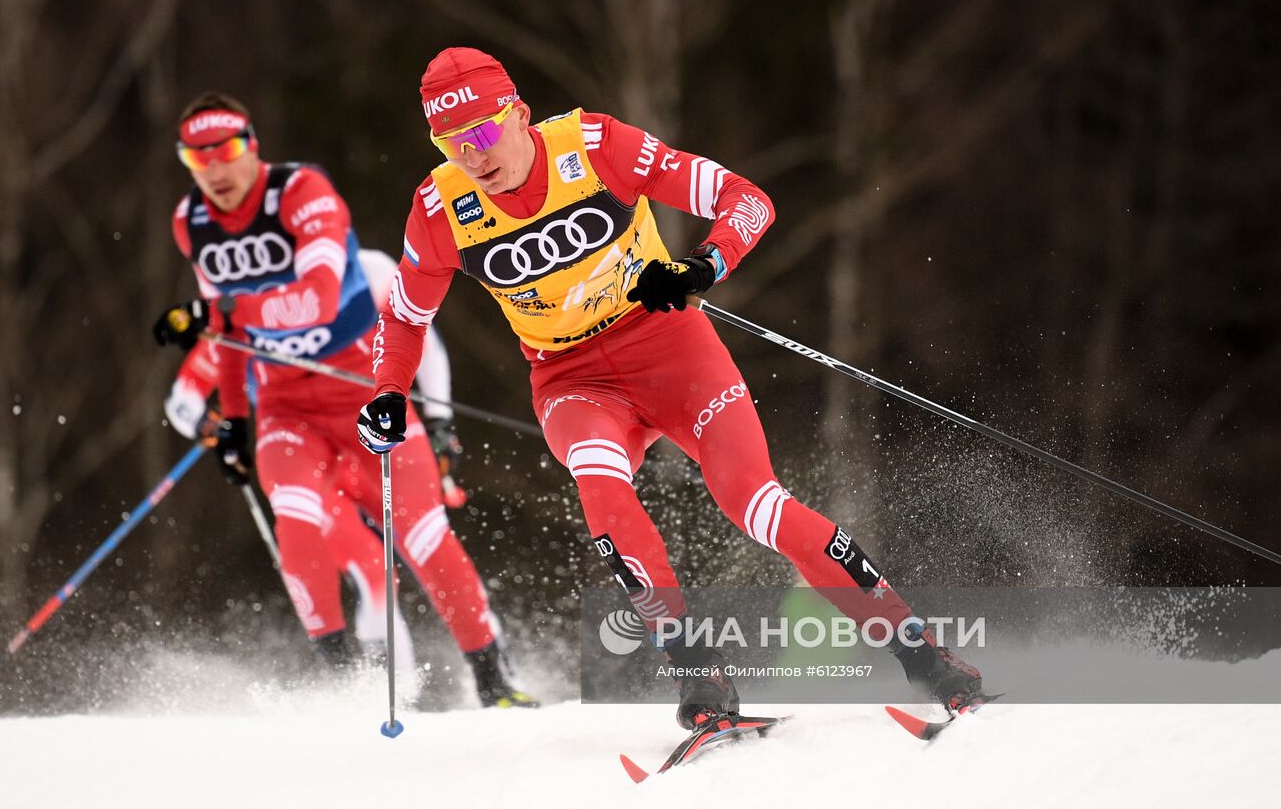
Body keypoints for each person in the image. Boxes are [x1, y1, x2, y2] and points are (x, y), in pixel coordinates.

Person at [356, 48, 983, 729]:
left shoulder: (595, 147)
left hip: (670, 347)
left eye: (480, 132)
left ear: (519, 114)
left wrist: (701, 265)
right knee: (600, 482)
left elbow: (747, 200)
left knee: (755, 504)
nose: (471, 156)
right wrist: (388, 389)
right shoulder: (440, 205)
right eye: (451, 143)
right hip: (571, 378)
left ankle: (925, 658)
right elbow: (403, 316)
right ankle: (701, 680)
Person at [152, 91, 535, 708]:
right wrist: (235, 423)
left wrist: (438, 426)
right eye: (197, 160)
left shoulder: (303, 193)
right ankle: (345, 686)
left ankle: (495, 681)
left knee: (425, 537)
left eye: (224, 152)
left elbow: (320, 298)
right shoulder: (192, 222)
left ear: (251, 148)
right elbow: (227, 339)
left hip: (363, 393)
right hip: (285, 409)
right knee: (297, 522)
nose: (215, 172)